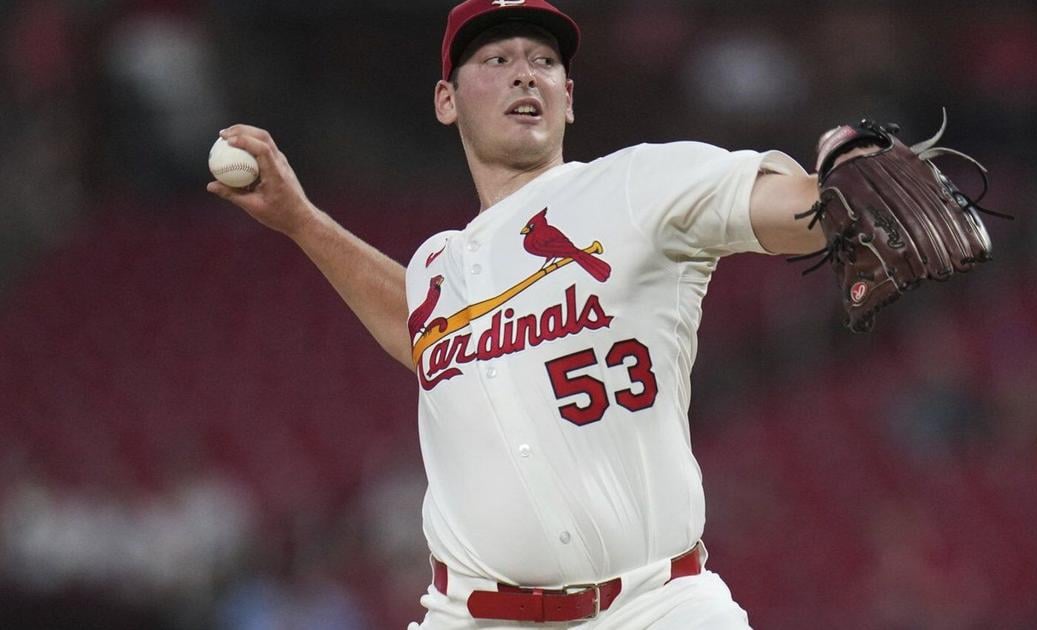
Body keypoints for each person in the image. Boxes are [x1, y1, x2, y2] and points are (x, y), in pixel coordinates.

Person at [207, 1, 870, 627]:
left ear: (568, 97)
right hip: (471, 614)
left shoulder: (638, 184)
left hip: (656, 607)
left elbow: (799, 212)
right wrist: (301, 221)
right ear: (447, 100)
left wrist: (846, 188)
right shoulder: (442, 263)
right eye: (495, 60)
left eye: (543, 61)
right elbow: (423, 333)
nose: (524, 70)